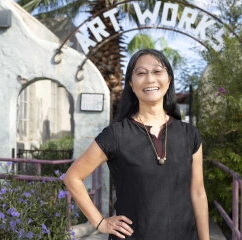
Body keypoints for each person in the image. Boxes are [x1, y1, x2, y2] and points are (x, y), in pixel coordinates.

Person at [63, 49, 209, 240]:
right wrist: (100, 222)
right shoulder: (116, 134)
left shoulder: (189, 134)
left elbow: (198, 192)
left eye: (157, 71)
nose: (150, 79)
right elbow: (72, 177)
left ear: (169, 79)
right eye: (141, 73)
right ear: (131, 84)